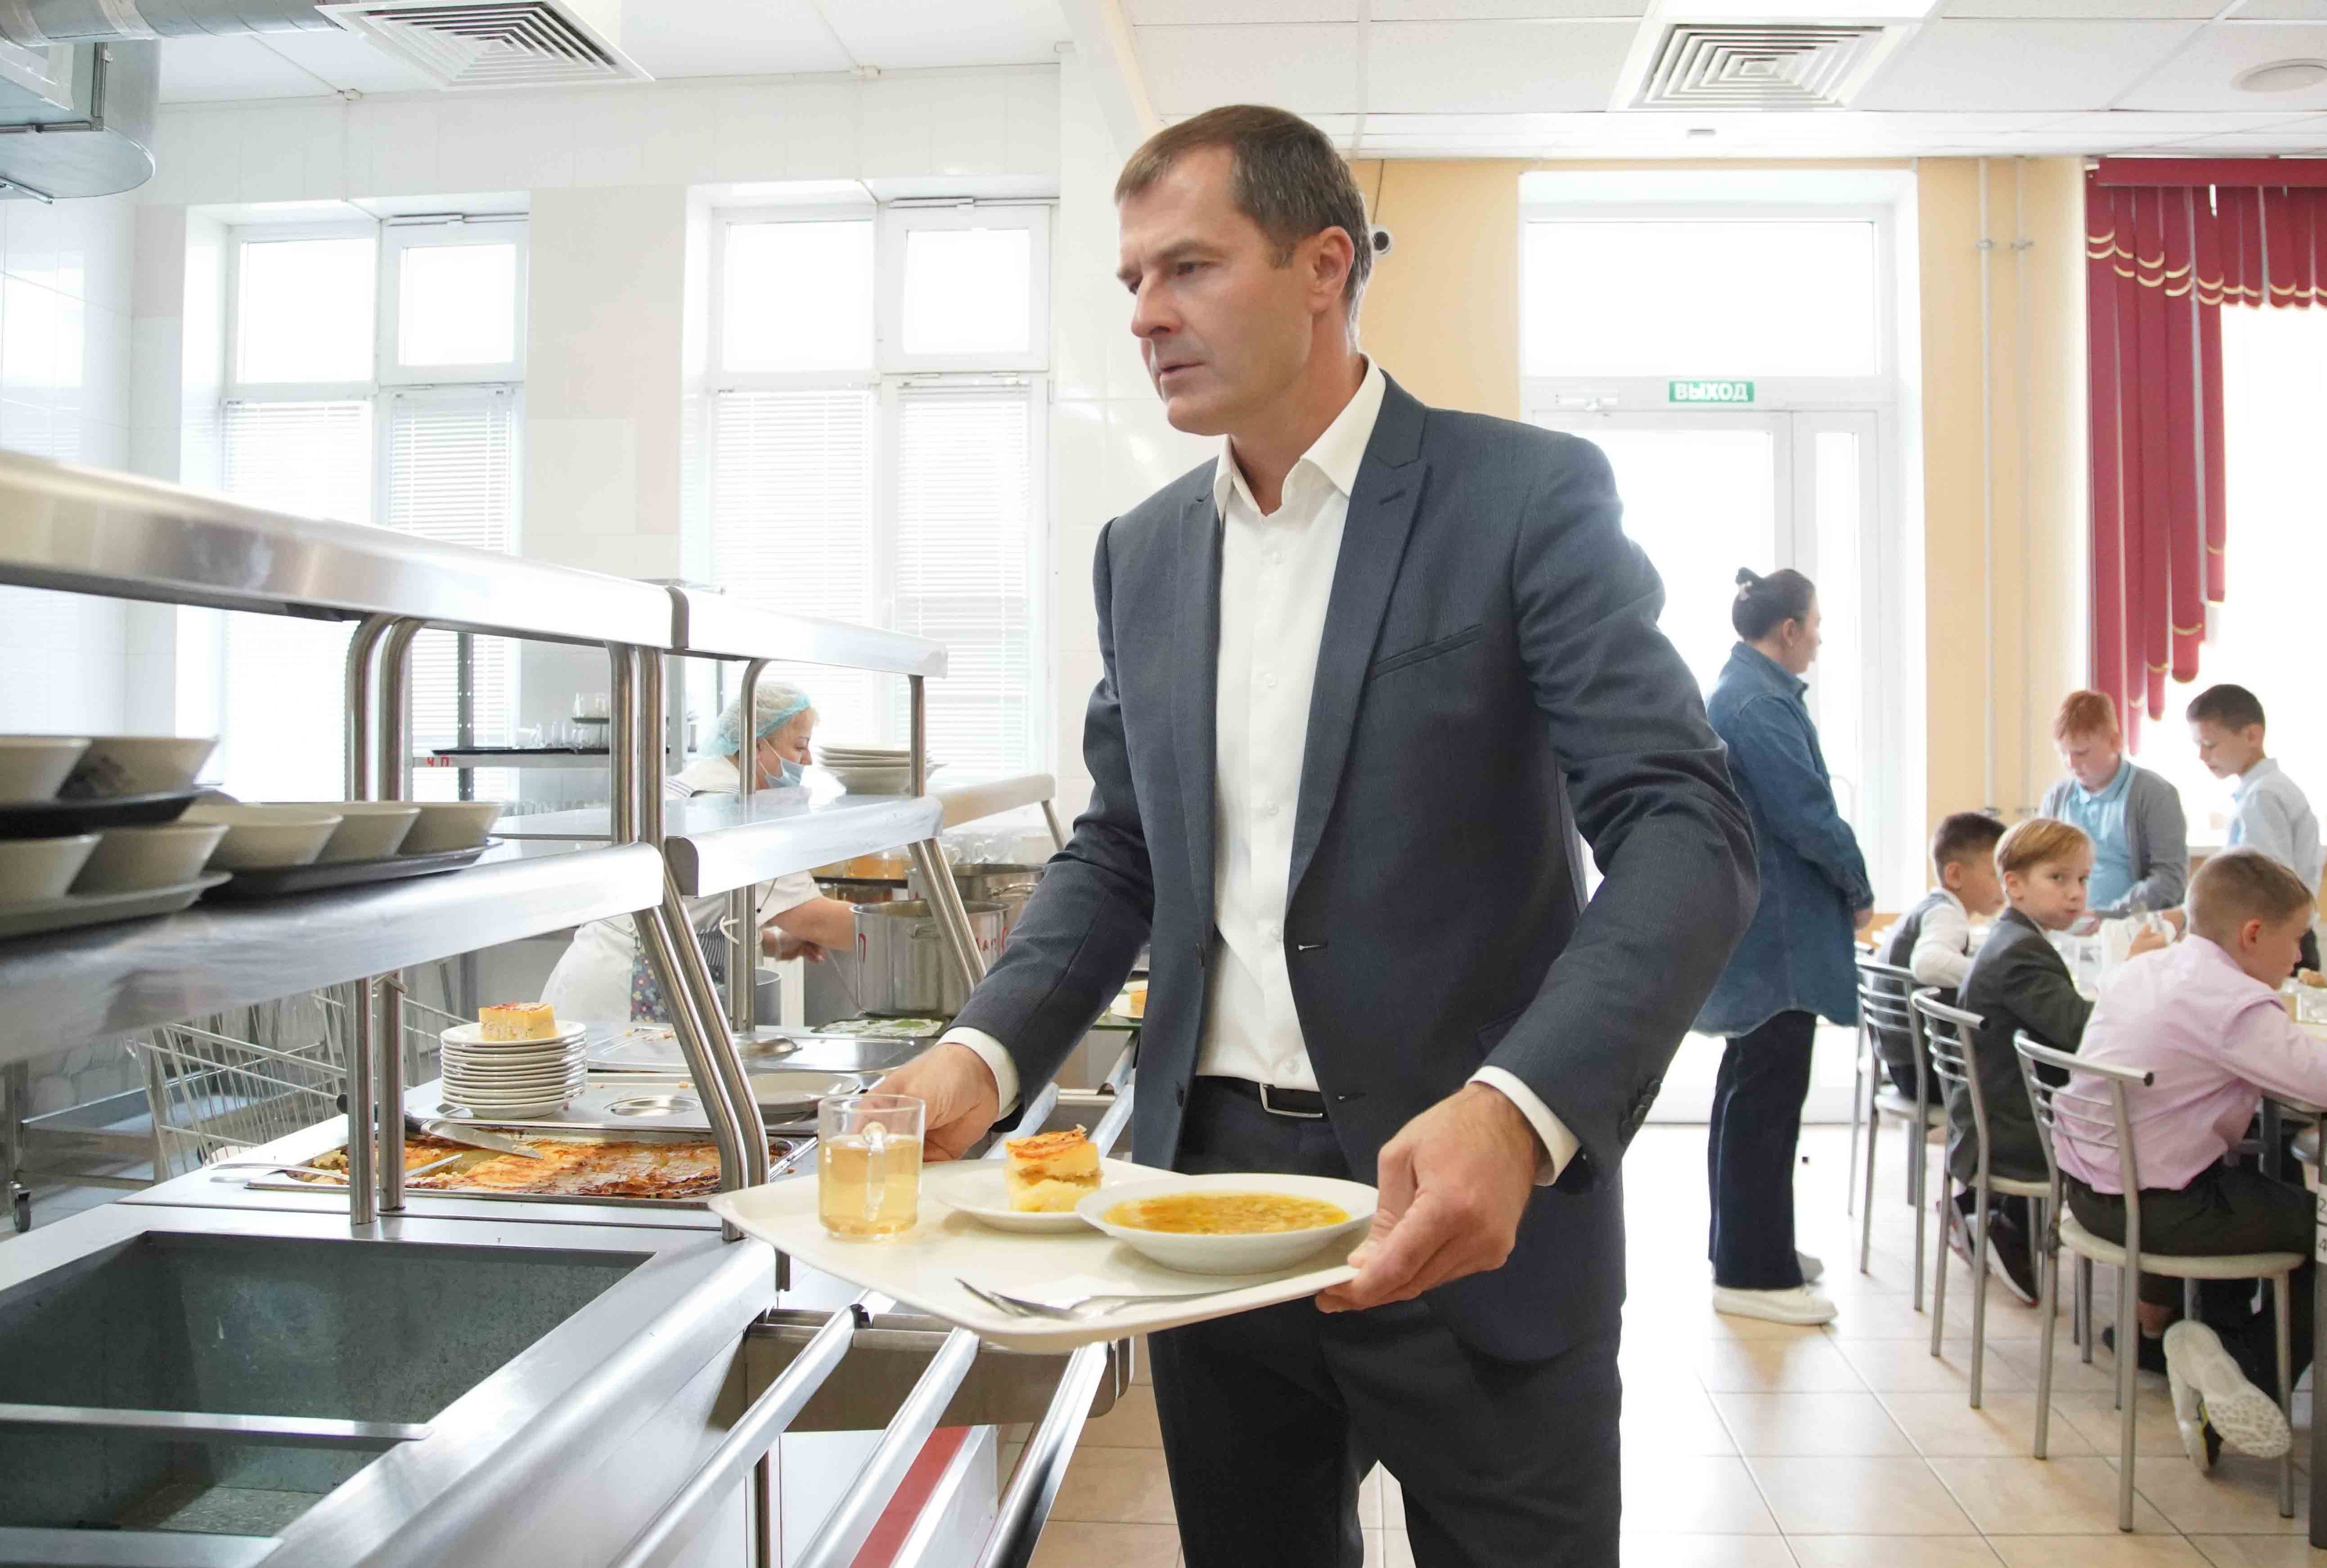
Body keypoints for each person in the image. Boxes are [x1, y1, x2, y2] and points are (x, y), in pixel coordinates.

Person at [876, 104, 1756, 1568]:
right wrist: (980, 1052)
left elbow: (1684, 824)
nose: (1146, 314)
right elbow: (1122, 849)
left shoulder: (1521, 500)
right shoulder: (1144, 552)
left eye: (1189, 267)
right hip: (1201, 1200)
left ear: (1322, 266)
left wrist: (1519, 1106)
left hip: (1462, 1180)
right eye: (1133, 280)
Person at [2058, 848, 2327, 1471]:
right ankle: (2245, 1375)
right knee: (2317, 1226)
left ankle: (2215, 1348)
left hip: (2092, 1190)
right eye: (2295, 939)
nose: (2299, 958)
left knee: (2264, 1177)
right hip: (2158, 1208)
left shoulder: (2148, 968)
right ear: (2252, 934)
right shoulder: (2232, 1004)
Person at [1696, 568, 1873, 1327]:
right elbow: (1807, 814)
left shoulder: (1745, 690)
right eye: (1815, 623)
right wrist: (1858, 885)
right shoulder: (1757, 702)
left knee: (1748, 1094)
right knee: (1765, 1107)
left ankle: (1747, 1248)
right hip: (1780, 936)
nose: (1820, 639)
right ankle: (1753, 1273)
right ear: (1789, 628)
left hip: (1765, 929)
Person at [539, 681, 858, 1023]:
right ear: (756, 745)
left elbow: (690, 910)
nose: (808, 760)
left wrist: (773, 943)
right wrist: (898, 930)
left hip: (614, 967)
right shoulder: (733, 810)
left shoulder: (703, 781)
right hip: (623, 990)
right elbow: (817, 921)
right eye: (800, 746)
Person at [1949, 817, 2153, 1305]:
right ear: (2014, 885)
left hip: (1995, 1111)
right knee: (2165, 1139)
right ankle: (2163, 1299)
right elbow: (2086, 1037)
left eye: (2082, 879)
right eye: (2057, 878)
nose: (2075, 893)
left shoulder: (2013, 937)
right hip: (2015, 1129)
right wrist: (2132, 972)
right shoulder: (2021, 952)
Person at [2187, 682, 2322, 973]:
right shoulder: (2267, 790)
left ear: (2252, 735)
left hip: (2275, 941)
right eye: (2198, 746)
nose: (2202, 757)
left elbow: (2268, 890)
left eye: (2209, 745)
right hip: (2284, 936)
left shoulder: (2262, 797)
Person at [1872, 811, 2007, 1097]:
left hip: (1906, 1066)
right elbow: (1929, 964)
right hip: (1932, 1073)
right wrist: (1997, 974)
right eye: (1997, 875)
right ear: (1955, 875)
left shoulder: (1930, 907)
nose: (2007, 886)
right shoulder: (1946, 914)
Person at [2042, 689, 2188, 921]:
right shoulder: (2056, 798)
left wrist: (2108, 915)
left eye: (2081, 753)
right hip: (2069, 925)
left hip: (2133, 925)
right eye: (2063, 753)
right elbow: (2040, 868)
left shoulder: (2156, 794)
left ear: (2115, 742)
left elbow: (2170, 879)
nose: (2071, 764)